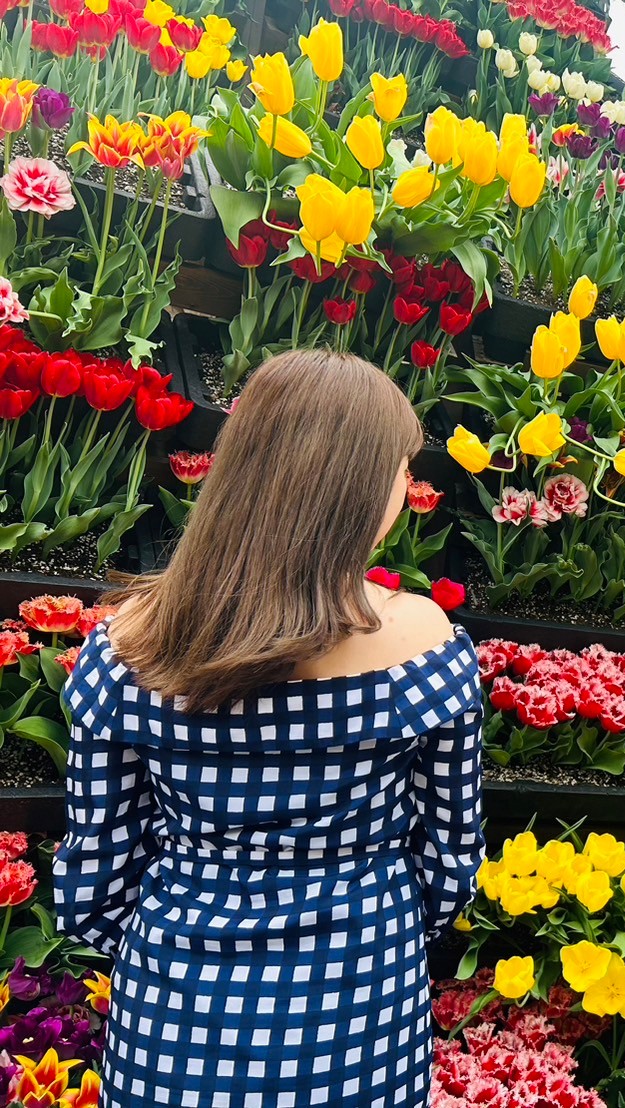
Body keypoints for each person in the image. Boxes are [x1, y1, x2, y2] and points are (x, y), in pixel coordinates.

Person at [53, 350, 485, 1108]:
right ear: (358, 489)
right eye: (399, 469)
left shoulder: (129, 643)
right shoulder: (421, 640)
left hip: (172, 1015)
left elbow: (95, 873)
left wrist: (175, 951)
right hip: (363, 1006)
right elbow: (448, 857)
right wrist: (374, 924)